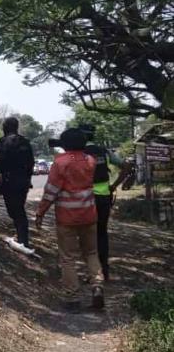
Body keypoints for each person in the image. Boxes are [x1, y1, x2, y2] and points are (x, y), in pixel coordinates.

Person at [35, 128, 104, 310]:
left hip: (67, 216)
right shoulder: (91, 160)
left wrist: (40, 212)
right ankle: (97, 286)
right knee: (91, 253)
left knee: (68, 258)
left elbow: (51, 191)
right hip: (89, 213)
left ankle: (72, 298)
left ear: (64, 144)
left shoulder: (60, 163)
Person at [79, 124, 132, 281]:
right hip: (104, 198)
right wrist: (114, 185)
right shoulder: (104, 151)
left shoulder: (79, 153)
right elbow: (126, 166)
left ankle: (94, 274)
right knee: (101, 234)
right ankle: (104, 271)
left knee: (87, 235)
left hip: (86, 199)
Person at [0, 117, 35, 248]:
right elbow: (31, 162)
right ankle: (21, 236)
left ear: (6, 127)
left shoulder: (4, 141)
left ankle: (23, 241)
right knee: (18, 208)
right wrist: (28, 178)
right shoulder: (25, 141)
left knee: (15, 210)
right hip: (23, 181)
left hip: (10, 181)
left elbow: (0, 160)